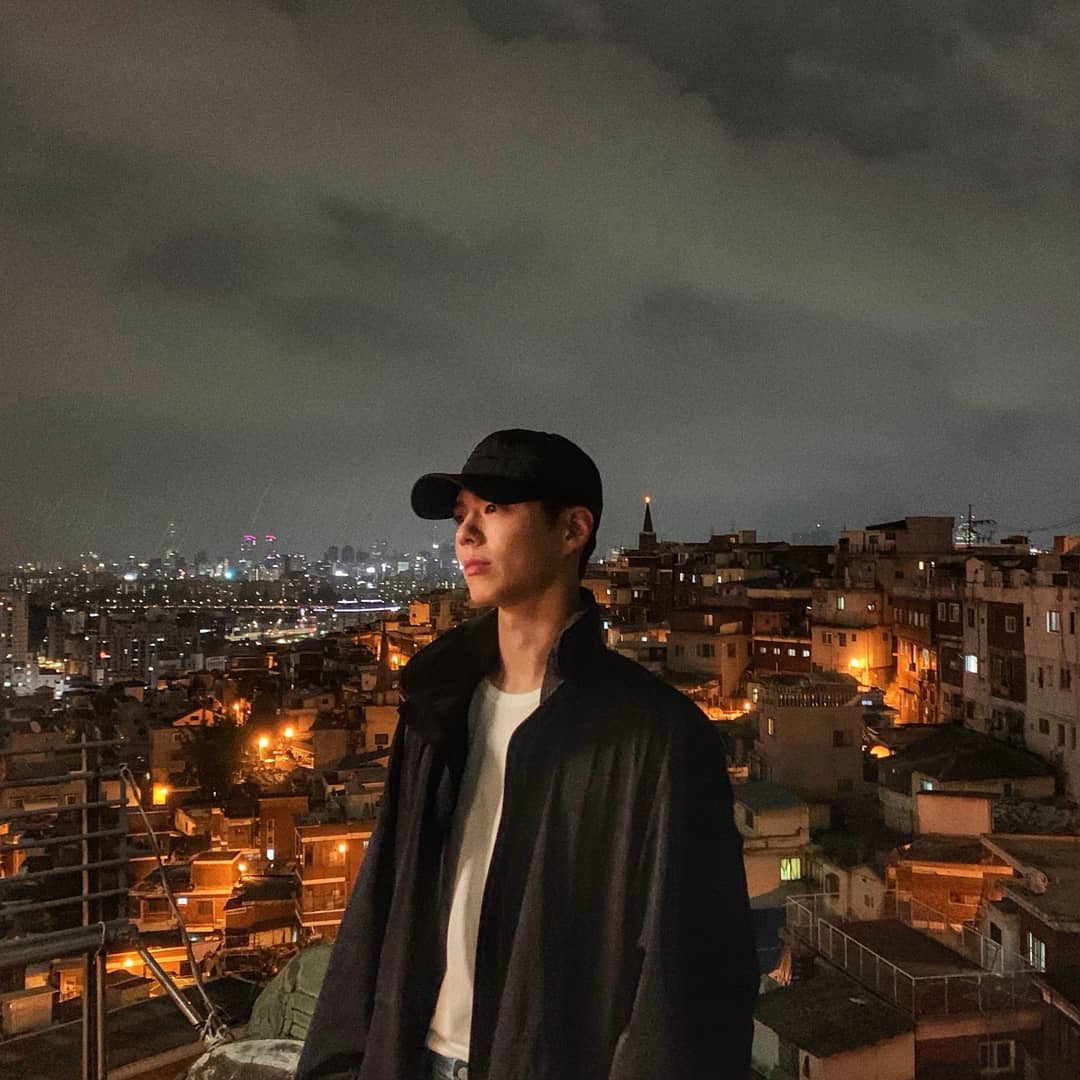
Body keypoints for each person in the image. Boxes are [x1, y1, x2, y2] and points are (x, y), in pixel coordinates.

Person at [296, 429, 758, 1080]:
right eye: (461, 515)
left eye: (495, 509)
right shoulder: (435, 708)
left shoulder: (656, 737)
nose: (467, 534)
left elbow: (692, 983)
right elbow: (379, 912)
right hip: (411, 1059)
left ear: (573, 530)